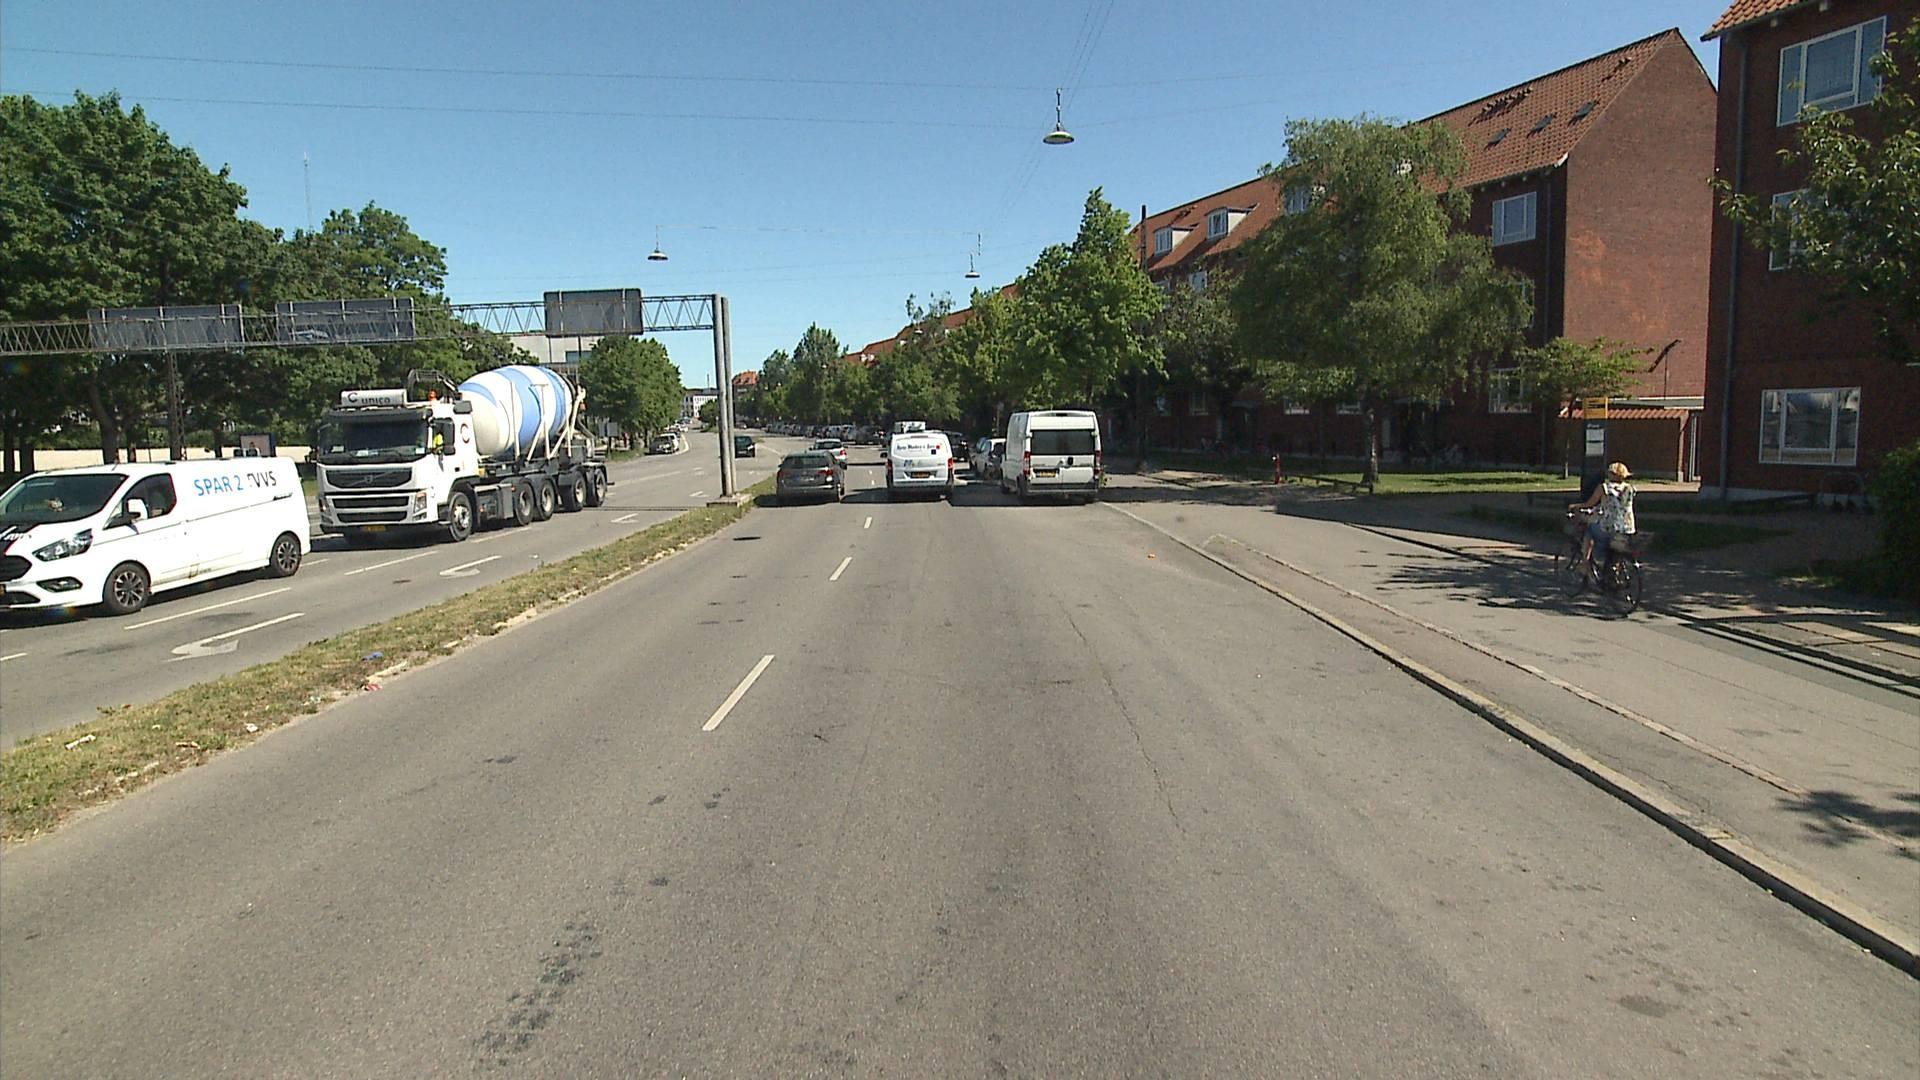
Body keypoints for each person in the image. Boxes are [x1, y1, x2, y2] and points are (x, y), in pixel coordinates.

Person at [1568, 462, 1636, 566]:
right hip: (1627, 528)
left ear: (1612, 474)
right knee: (1615, 551)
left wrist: (1575, 506)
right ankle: (1614, 571)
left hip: (1610, 527)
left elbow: (1589, 504)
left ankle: (1585, 564)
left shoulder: (1604, 488)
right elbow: (1618, 505)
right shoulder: (1630, 488)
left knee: (1589, 529)